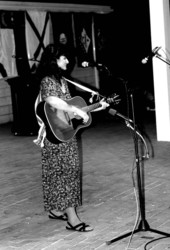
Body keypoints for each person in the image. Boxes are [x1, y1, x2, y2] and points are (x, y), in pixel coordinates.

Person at [34, 44, 109, 232]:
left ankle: (54, 209)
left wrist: (97, 106)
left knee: (57, 173)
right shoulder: (47, 80)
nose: (68, 61)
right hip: (54, 134)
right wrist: (75, 109)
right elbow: (51, 100)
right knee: (66, 174)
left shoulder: (63, 81)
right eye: (64, 58)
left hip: (64, 131)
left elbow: (68, 107)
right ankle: (72, 219)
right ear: (54, 60)